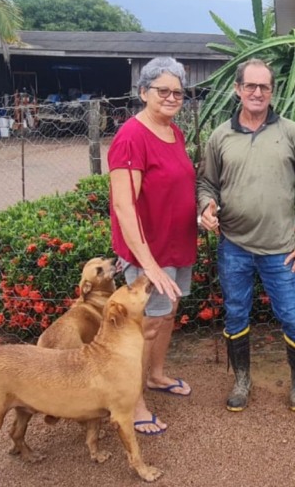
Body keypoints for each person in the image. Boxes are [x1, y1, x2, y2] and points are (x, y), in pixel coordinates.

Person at [197, 58, 295, 412]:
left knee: (293, 317)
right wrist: (206, 206)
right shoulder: (220, 136)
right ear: (237, 89)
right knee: (236, 314)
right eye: (250, 86)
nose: (257, 92)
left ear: (272, 91)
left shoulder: (292, 133)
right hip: (233, 246)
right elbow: (206, 182)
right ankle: (242, 380)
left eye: (264, 87)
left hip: (282, 250)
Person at [108, 57, 196, 435]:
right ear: (143, 92)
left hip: (176, 245)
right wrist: (149, 266)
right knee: (142, 326)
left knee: (166, 315)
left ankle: (156, 375)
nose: (171, 97)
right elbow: (124, 208)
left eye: (177, 92)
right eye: (163, 91)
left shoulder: (174, 132)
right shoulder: (131, 136)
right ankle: (133, 401)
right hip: (150, 254)